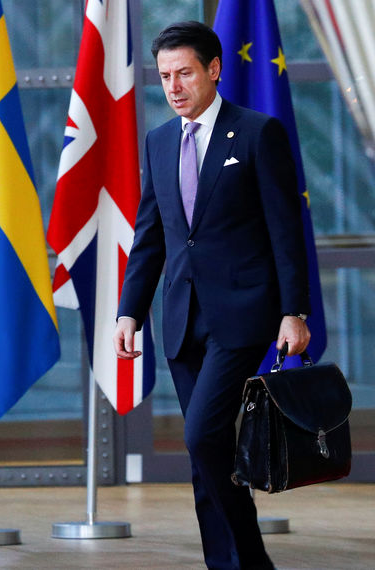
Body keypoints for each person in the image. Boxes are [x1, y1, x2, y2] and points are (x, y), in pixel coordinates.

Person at [113, 21, 311, 570]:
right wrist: (129, 311)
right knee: (207, 458)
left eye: (184, 73)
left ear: (214, 69)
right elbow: (150, 235)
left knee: (202, 436)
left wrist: (294, 312)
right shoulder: (157, 142)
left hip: (243, 317)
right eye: (165, 76)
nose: (173, 86)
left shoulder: (255, 133)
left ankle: (251, 559)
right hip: (180, 320)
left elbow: (284, 231)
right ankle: (226, 564)